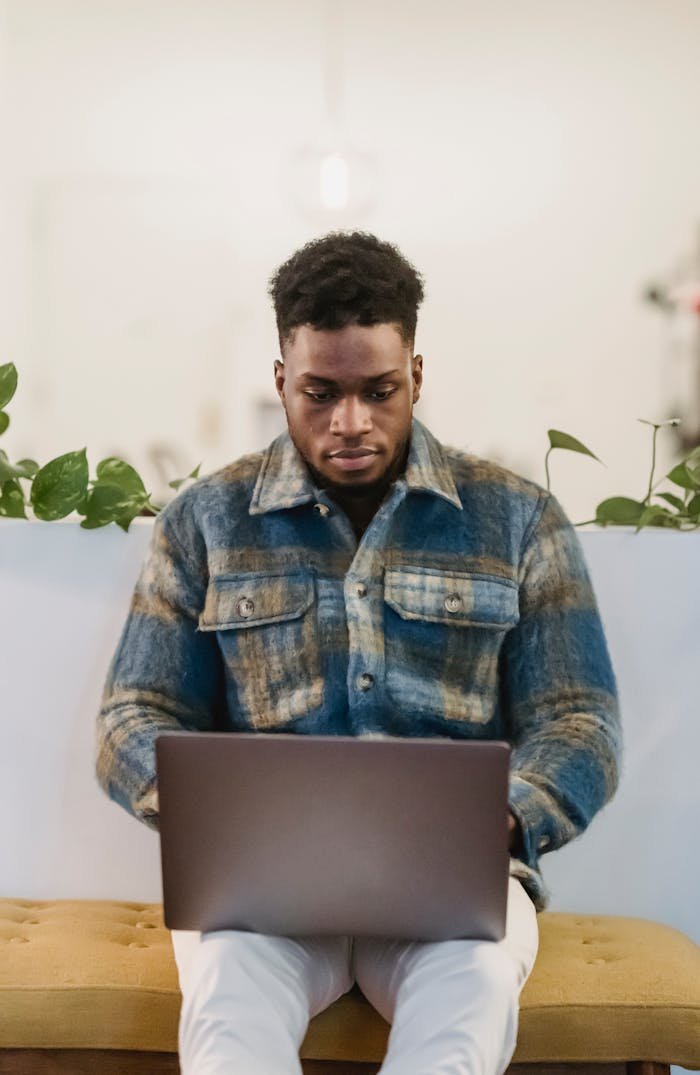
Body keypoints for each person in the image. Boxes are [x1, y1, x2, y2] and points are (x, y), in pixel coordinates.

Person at [96, 230, 622, 1075]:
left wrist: (506, 816)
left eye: (379, 390)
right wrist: (200, 812)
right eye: (320, 393)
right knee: (229, 1007)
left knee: (469, 1005)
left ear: (416, 372)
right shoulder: (204, 520)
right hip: (259, 896)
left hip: (450, 897)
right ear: (280, 382)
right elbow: (132, 714)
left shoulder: (519, 519)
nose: (351, 422)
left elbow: (580, 718)